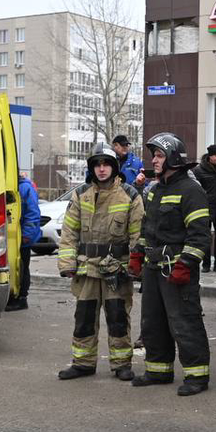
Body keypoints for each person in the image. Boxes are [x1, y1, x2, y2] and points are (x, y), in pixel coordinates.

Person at [129, 132, 213, 396]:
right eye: (154, 155)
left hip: (178, 271)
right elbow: (147, 229)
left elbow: (200, 234)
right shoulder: (155, 191)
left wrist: (185, 264)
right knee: (153, 322)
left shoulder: (191, 190)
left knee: (185, 322)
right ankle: (158, 370)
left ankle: (197, 376)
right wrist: (137, 253)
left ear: (173, 159)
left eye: (159, 155)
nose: (154, 160)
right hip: (154, 269)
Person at [56, 143, 144, 381]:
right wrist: (67, 265)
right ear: (92, 168)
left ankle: (121, 364)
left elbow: (138, 233)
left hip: (117, 268)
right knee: (84, 318)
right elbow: (69, 233)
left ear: (114, 167)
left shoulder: (130, 195)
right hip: (86, 268)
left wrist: (136, 265)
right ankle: (83, 363)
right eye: (97, 164)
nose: (102, 169)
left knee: (118, 317)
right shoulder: (80, 193)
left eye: (106, 164)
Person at [192, 144, 216, 273]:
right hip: (205, 208)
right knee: (205, 236)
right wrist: (201, 201)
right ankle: (206, 264)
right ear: (209, 156)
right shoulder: (199, 170)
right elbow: (195, 189)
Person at [6, 172, 41, 311]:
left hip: (22, 237)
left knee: (21, 267)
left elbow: (33, 213)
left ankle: (21, 298)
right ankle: (13, 296)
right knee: (14, 266)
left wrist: (26, 235)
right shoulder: (19, 187)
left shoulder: (25, 188)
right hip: (13, 235)